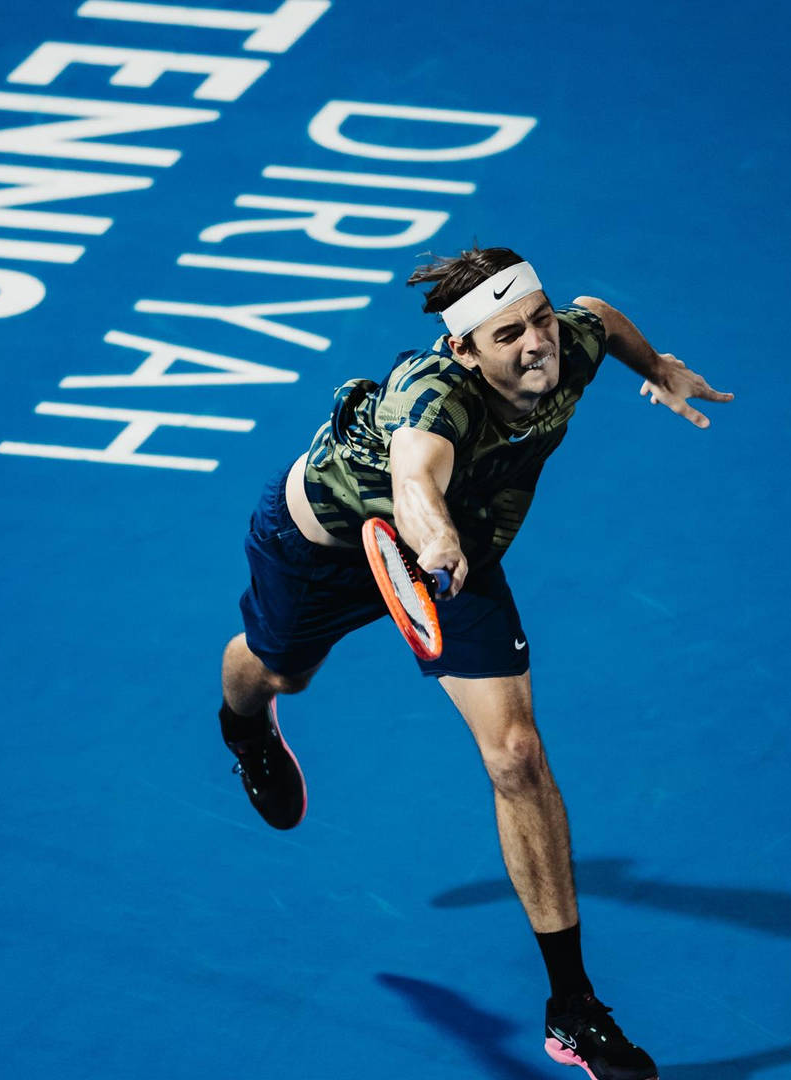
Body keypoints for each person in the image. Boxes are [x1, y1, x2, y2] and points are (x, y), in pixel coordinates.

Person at [219, 246, 732, 1080]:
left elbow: (600, 312)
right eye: (509, 335)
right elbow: (417, 475)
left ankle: (573, 1008)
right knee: (279, 671)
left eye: (537, 320)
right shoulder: (432, 398)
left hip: (455, 563)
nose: (537, 345)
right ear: (465, 352)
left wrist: (661, 366)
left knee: (517, 755)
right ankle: (243, 727)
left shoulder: (569, 339)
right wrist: (434, 533)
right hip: (324, 544)